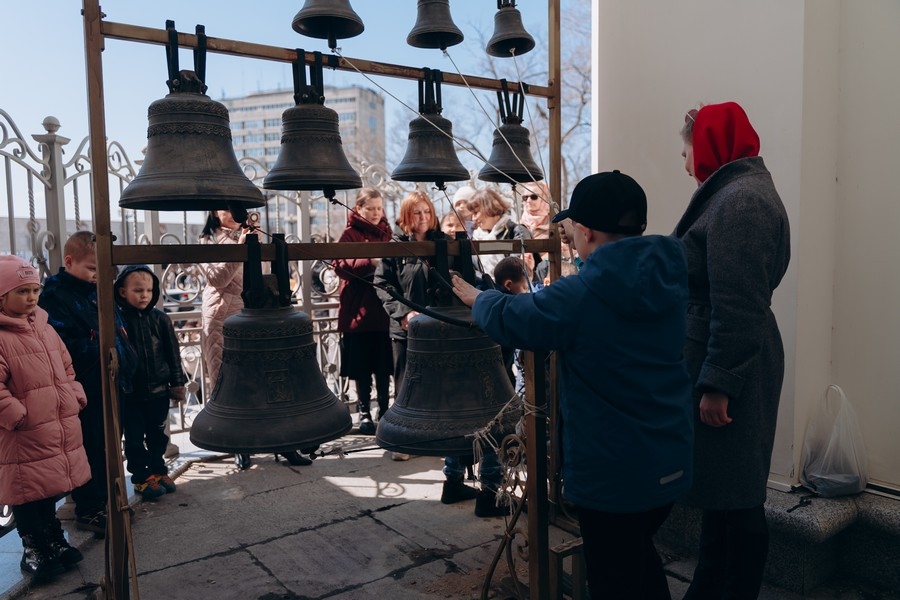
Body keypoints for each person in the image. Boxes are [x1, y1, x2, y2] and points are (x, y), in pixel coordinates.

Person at [451, 170, 694, 599]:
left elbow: (519, 318)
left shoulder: (584, 294)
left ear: (586, 231)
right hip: (668, 459)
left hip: (613, 473)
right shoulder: (668, 275)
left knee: (615, 578)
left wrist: (481, 299)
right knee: (638, 558)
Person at [675, 102, 791, 600]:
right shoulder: (735, 194)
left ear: (707, 147)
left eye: (685, 152)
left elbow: (739, 302)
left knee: (738, 499)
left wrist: (720, 382)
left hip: (732, 363)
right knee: (725, 494)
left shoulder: (740, 202)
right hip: (731, 356)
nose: (684, 164)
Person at [38, 231, 137, 538]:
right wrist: (100, 350)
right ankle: (90, 507)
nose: (98, 275)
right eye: (93, 269)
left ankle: (110, 499)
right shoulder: (55, 296)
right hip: (87, 386)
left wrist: (127, 358)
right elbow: (61, 344)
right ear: (69, 262)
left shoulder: (99, 291)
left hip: (114, 381)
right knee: (90, 447)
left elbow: (118, 328)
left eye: (103, 270)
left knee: (111, 445)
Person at [0, 256, 91, 582]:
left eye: (35, 290)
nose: (31, 297)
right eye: (22, 291)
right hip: (22, 433)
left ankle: (53, 539)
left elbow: (66, 367)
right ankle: (34, 548)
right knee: (26, 494)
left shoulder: (45, 328)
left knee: (47, 487)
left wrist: (74, 392)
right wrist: (15, 414)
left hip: (51, 425)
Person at [199, 208, 311, 470]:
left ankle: (284, 442)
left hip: (255, 312)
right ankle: (239, 444)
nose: (233, 214)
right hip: (221, 317)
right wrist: (242, 247)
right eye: (226, 208)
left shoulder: (251, 235)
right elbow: (218, 279)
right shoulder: (207, 240)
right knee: (227, 383)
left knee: (270, 378)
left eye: (237, 208)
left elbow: (261, 277)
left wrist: (254, 245)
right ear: (214, 212)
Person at [373, 190, 448, 462]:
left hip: (439, 327)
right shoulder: (395, 245)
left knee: (439, 383)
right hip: (405, 329)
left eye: (427, 211)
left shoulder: (444, 244)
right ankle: (404, 439)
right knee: (406, 386)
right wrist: (403, 314)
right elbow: (383, 283)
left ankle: (439, 437)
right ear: (406, 215)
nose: (423, 217)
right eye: (417, 212)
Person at [114, 265, 187, 500]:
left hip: (159, 390)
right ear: (123, 292)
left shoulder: (160, 319)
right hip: (131, 393)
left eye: (148, 290)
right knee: (134, 438)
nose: (144, 295)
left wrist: (177, 383)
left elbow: (173, 354)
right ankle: (141, 477)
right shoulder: (118, 321)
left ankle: (158, 470)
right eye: (138, 290)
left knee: (158, 436)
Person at [334, 188, 394, 435]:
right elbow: (340, 265)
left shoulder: (387, 234)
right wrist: (369, 261)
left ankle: (385, 409)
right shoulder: (349, 234)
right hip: (357, 311)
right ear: (358, 208)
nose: (375, 213)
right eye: (370, 208)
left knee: (383, 366)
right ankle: (364, 411)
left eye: (379, 208)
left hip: (383, 310)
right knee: (361, 368)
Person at [467, 188, 532, 279]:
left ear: (489, 207)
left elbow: (516, 267)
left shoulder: (516, 231)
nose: (473, 218)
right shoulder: (475, 237)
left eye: (476, 213)